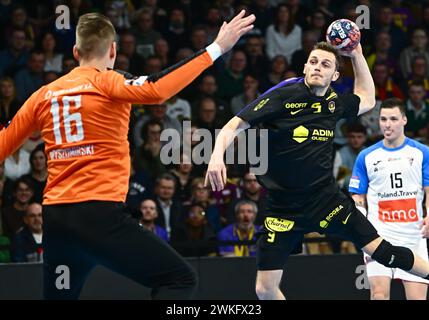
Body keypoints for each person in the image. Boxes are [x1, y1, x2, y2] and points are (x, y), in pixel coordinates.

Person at [0, 11, 255, 300]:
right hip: (99, 217)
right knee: (180, 280)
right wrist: (217, 47)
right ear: (113, 50)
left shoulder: (42, 95)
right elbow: (157, 88)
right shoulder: (108, 82)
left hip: (57, 222)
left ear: (75, 52)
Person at [205, 41, 429, 300]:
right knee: (264, 289)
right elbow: (236, 123)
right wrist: (216, 157)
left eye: (325, 64)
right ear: (304, 66)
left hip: (326, 200)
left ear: (335, 75)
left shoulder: (334, 103)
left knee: (385, 253)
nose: (317, 68)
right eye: (313, 62)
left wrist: (356, 53)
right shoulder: (284, 94)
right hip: (283, 207)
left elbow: (367, 99)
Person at [349, 98, 429, 300]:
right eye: (383, 119)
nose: (387, 124)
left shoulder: (422, 153)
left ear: (404, 120)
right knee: (379, 295)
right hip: (378, 236)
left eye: (393, 119)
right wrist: (360, 219)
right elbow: (358, 195)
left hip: (413, 235)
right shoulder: (366, 156)